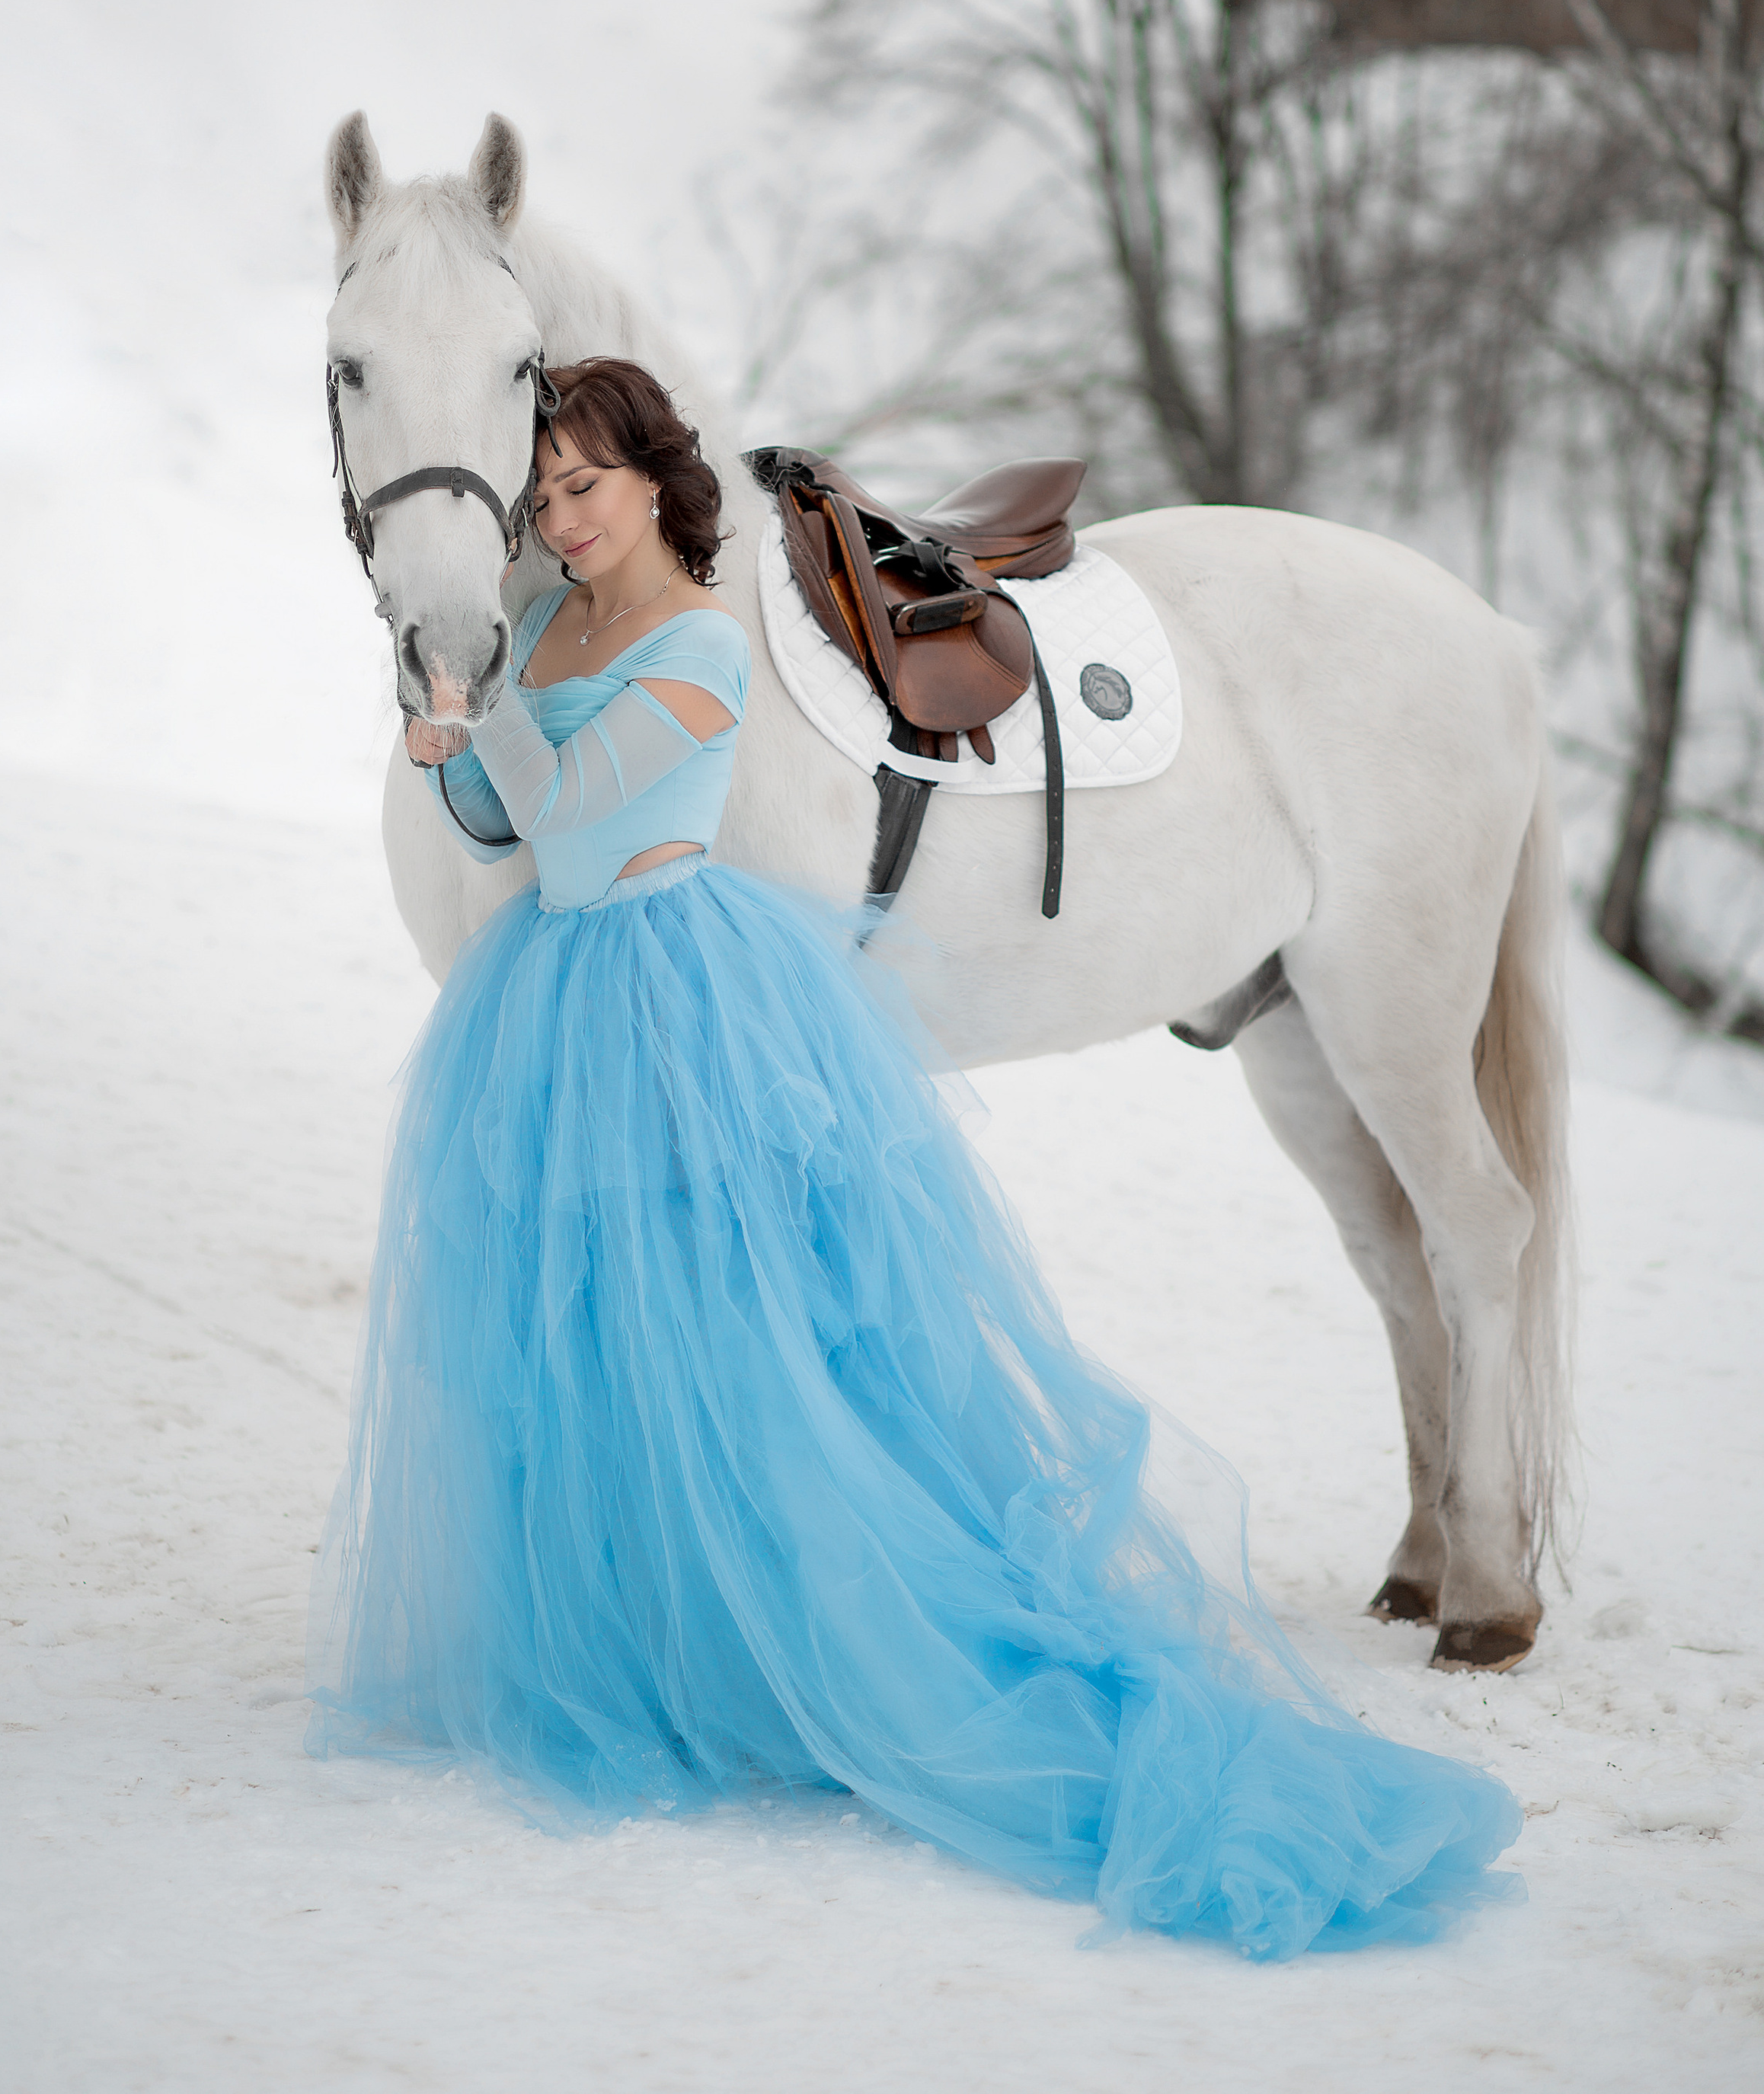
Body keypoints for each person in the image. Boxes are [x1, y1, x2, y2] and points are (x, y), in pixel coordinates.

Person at [309, 356, 1523, 1961]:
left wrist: (476, 714)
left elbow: (584, 822)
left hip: (665, 978)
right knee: (607, 1325)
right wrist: (453, 730)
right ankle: (660, 1625)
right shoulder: (549, 622)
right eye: (544, 497)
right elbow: (488, 832)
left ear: (657, 488)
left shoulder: (689, 645)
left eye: (585, 489)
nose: (561, 519)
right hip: (564, 1004)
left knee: (740, 1325)